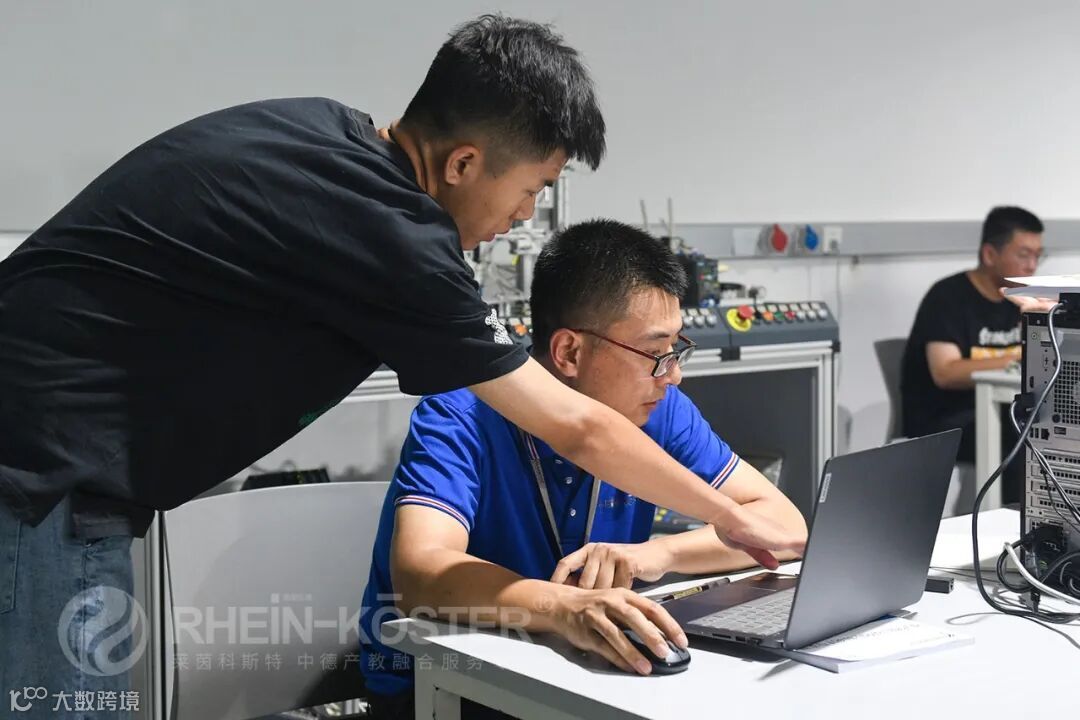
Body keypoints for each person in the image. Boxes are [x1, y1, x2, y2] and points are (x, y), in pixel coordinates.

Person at [0, 15, 803, 706]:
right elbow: (578, 431)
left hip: (57, 467)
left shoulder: (327, 139)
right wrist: (732, 519)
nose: (526, 215)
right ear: (462, 164)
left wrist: (669, 547)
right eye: (531, 188)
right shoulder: (396, 240)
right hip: (35, 474)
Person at [359, 220, 808, 717]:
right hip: (448, 685)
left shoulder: (660, 410)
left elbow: (783, 526)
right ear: (569, 352)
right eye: (654, 353)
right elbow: (420, 573)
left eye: (676, 349)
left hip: (579, 670)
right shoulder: (461, 413)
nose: (673, 375)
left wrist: (658, 554)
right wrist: (566, 608)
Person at [901, 205, 1044, 502]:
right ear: (990, 254)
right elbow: (945, 372)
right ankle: (1011, 522)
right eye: (1023, 255)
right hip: (946, 419)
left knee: (1053, 428)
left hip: (1001, 411)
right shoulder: (947, 298)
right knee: (1024, 437)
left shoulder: (1022, 299)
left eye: (1037, 256)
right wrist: (1022, 355)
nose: (1032, 266)